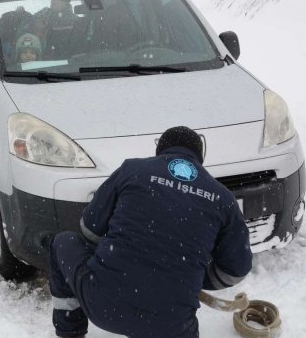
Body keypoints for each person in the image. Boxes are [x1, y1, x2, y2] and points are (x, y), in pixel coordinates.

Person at [49, 126, 252, 338]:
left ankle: (70, 332)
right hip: (174, 326)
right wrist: (189, 277)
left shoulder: (132, 170)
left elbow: (89, 229)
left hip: (104, 306)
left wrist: (118, 250)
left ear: (161, 150)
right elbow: (235, 270)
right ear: (200, 157)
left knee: (62, 242)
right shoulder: (222, 197)